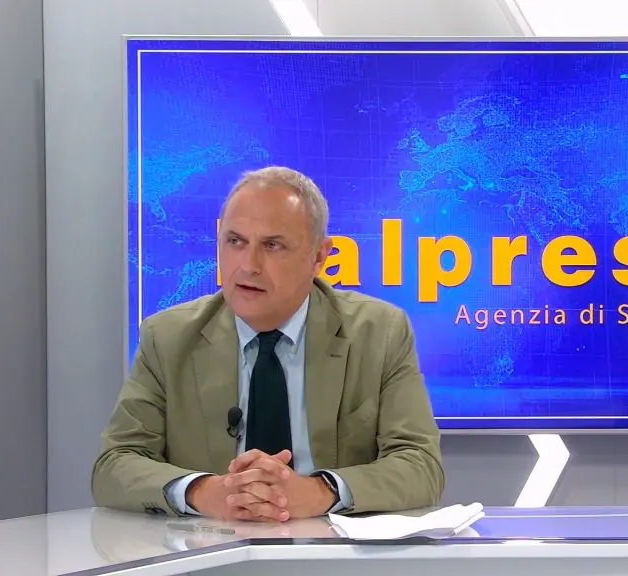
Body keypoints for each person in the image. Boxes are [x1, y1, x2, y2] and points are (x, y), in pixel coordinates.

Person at [92, 166, 444, 522]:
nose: (248, 265)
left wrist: (320, 492)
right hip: (210, 547)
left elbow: (420, 465)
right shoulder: (167, 337)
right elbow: (115, 463)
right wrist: (203, 492)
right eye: (235, 241)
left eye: (272, 245)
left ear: (319, 256)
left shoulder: (378, 333)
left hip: (331, 546)